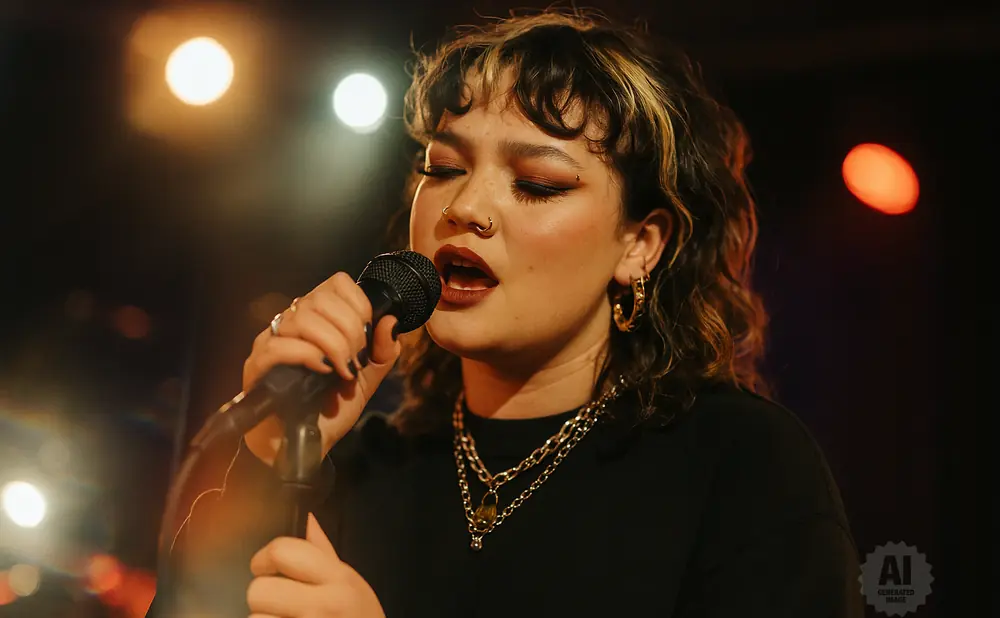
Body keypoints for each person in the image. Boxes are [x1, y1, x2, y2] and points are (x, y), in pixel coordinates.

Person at [149, 9, 864, 618]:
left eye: (538, 183)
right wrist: (269, 456)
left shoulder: (739, 465)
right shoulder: (361, 470)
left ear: (640, 245)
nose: (464, 209)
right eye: (444, 166)